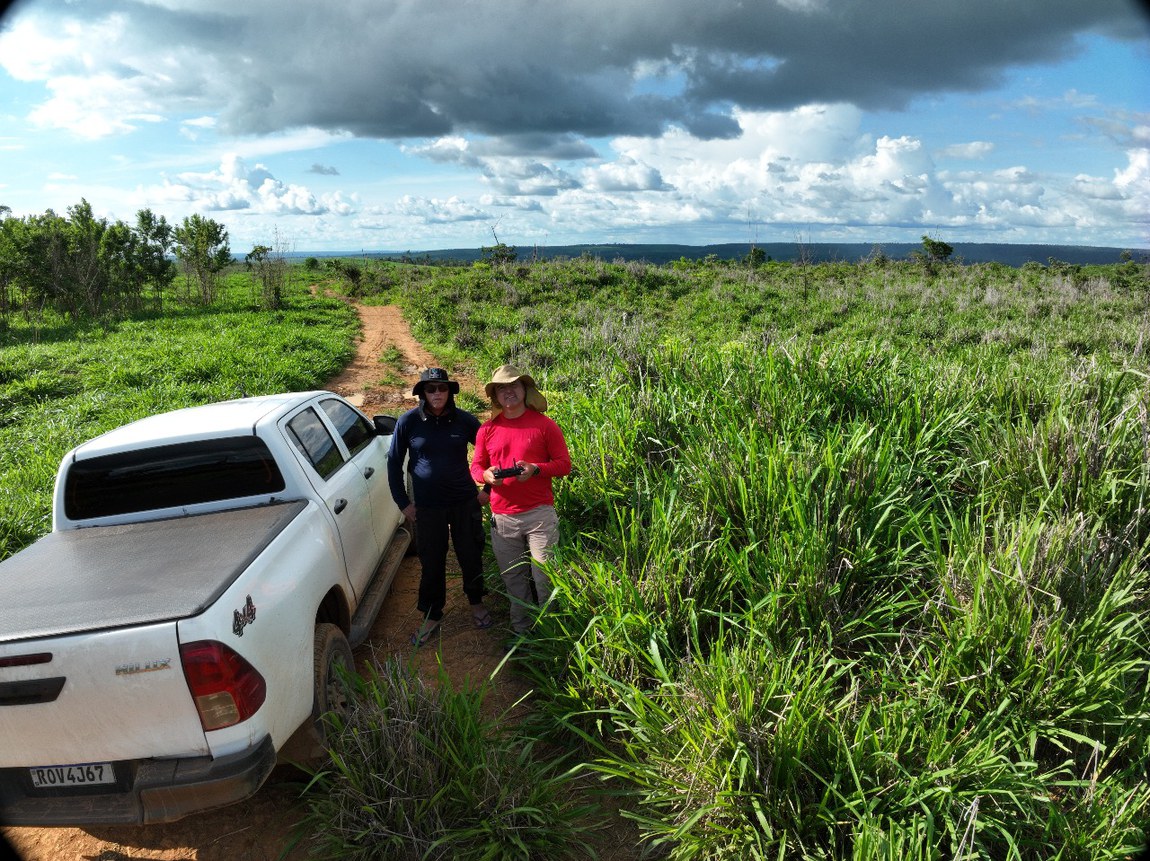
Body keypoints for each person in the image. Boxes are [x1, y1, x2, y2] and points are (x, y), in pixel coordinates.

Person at [388, 367, 491, 647]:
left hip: (464, 502)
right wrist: (403, 502)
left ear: (450, 392)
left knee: (470, 555)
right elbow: (394, 462)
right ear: (422, 392)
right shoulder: (408, 422)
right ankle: (432, 615)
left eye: (442, 388)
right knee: (431, 561)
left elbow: (491, 453)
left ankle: (476, 603)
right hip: (428, 508)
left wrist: (489, 490)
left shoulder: (464, 421)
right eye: (430, 389)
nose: (436, 394)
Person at [470, 364, 571, 637]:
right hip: (502, 517)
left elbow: (563, 465)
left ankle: (552, 635)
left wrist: (536, 469)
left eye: (513, 385)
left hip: (539, 515)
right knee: (514, 580)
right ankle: (523, 635)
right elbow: (476, 466)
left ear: (525, 390)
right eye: (501, 388)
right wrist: (487, 476)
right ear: (495, 396)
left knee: (545, 577)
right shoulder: (487, 429)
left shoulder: (545, 425)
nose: (508, 392)